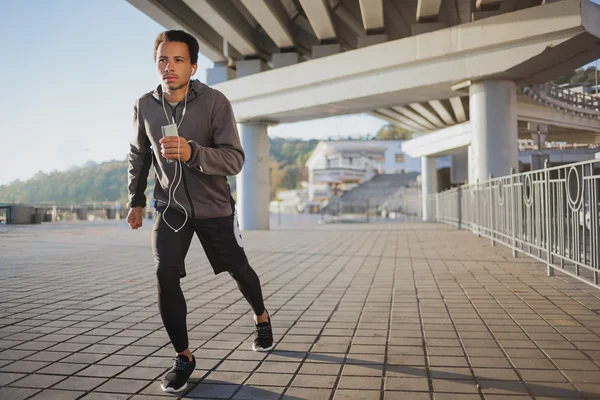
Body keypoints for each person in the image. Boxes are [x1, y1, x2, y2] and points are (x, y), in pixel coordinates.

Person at [126, 29, 274, 394]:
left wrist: (193, 153)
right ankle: (184, 357)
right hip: (171, 207)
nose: (169, 67)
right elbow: (139, 155)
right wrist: (136, 200)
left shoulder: (215, 103)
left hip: (213, 207)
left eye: (178, 60)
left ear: (193, 66)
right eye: (163, 59)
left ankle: (262, 317)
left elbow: (234, 159)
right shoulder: (145, 105)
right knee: (165, 274)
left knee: (239, 269)